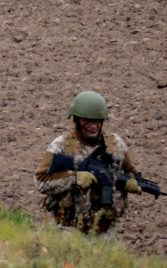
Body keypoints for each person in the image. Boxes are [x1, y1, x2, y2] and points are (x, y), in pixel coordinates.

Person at [34, 91, 139, 234]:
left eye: (97, 121)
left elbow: (130, 170)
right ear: (76, 120)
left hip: (106, 229)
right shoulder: (60, 146)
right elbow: (41, 181)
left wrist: (130, 182)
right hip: (69, 229)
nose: (93, 126)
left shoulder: (116, 144)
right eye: (87, 121)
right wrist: (74, 179)